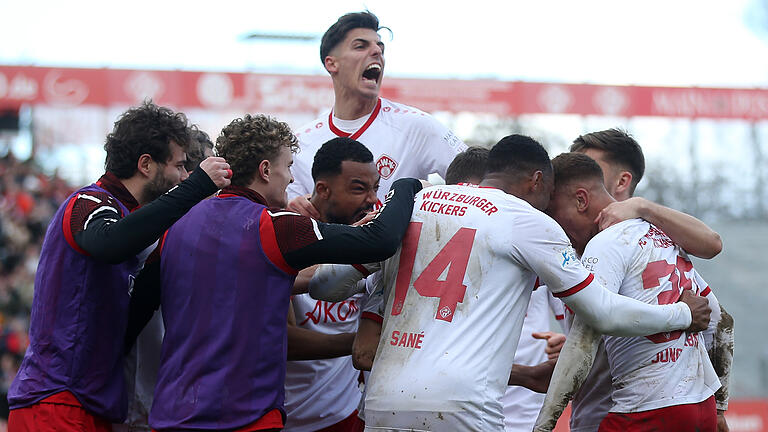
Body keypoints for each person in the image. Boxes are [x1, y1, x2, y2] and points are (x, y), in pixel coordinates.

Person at [356, 134, 710, 431]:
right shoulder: (528, 225)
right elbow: (603, 312)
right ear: (538, 181)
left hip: (382, 402)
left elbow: (329, 285)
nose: (548, 214)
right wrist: (681, 315)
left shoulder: (412, 206)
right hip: (466, 406)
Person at [146, 114, 424, 431]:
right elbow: (382, 241)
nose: (291, 179)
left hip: (172, 414)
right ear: (265, 170)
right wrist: (406, 185)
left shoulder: (176, 226)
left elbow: (142, 304)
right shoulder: (275, 226)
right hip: (244, 416)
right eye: (288, 166)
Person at [7, 101, 231, 430]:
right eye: (181, 167)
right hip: (56, 401)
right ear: (146, 164)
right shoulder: (89, 201)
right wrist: (196, 187)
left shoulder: (129, 218)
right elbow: (111, 243)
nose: (185, 177)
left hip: (93, 403)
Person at [559, 128, 732, 432]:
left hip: (629, 414)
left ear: (622, 182)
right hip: (619, 410)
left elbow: (713, 246)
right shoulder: (564, 246)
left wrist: (643, 206)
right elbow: (721, 322)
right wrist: (715, 407)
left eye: (588, 169)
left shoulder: (647, 239)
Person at [287, 10, 466, 216]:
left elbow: (477, 180)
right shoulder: (300, 143)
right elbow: (285, 212)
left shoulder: (417, 126)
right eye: (361, 46)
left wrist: (432, 196)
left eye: (380, 47)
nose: (377, 52)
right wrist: (291, 208)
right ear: (332, 63)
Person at [285, 137, 380, 431]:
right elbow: (285, 340)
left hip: (345, 416)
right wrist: (363, 345)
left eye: (375, 187)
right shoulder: (285, 236)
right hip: (284, 418)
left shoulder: (375, 243)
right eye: (358, 188)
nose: (372, 199)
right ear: (323, 190)